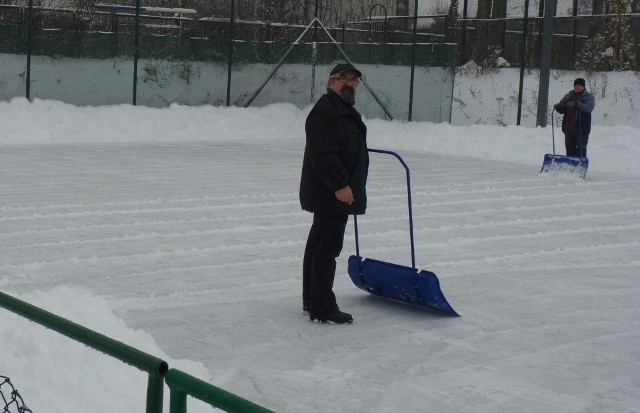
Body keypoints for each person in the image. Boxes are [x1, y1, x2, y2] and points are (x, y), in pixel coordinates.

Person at [299, 63, 369, 324]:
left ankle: (312, 301)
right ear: (331, 83)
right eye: (343, 79)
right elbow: (323, 154)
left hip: (331, 193)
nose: (349, 83)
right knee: (326, 250)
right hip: (331, 193)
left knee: (319, 246)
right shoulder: (326, 112)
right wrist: (340, 185)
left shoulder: (342, 111)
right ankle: (322, 307)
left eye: (354, 80)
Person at [553, 78, 596, 157]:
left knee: (581, 148)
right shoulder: (569, 95)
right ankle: (570, 166)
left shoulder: (588, 96)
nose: (577, 87)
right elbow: (562, 106)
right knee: (569, 148)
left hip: (582, 128)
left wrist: (577, 104)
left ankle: (580, 165)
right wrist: (559, 107)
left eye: (579, 85)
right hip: (569, 127)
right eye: (575, 85)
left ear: (583, 86)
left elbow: (589, 108)